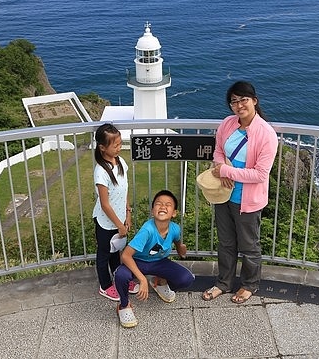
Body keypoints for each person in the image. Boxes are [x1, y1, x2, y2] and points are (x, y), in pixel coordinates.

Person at [201, 81, 278, 304]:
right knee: (225, 242)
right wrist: (220, 169)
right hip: (223, 195)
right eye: (234, 101)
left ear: (254, 101)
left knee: (248, 245)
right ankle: (223, 283)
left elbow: (260, 174)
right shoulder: (227, 124)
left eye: (243, 99)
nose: (239, 105)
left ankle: (249, 285)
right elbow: (217, 150)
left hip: (247, 200)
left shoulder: (266, 134)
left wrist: (227, 171)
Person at [113, 190, 195, 328]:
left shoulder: (175, 228)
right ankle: (124, 305)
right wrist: (142, 279)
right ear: (152, 211)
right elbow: (125, 255)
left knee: (186, 279)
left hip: (159, 263)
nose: (163, 207)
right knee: (121, 275)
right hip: (138, 262)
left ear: (174, 213)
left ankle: (160, 281)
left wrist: (181, 248)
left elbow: (177, 240)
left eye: (168, 205)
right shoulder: (147, 230)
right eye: (158, 204)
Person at [93, 123, 139, 300]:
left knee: (116, 251)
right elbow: (105, 204)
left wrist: (128, 213)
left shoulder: (120, 163)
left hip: (120, 218)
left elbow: (124, 189)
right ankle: (105, 285)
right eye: (116, 145)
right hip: (106, 222)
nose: (120, 147)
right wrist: (120, 225)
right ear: (102, 147)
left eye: (120, 143)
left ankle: (120, 280)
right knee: (104, 254)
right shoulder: (101, 172)